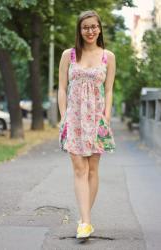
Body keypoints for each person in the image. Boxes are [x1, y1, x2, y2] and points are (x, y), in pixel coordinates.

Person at [58, 10, 116, 239]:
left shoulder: (107, 56)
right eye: (85, 27)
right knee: (79, 168)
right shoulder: (68, 55)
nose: (90, 31)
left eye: (94, 27)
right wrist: (63, 116)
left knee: (92, 169)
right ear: (79, 31)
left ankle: (84, 220)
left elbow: (109, 89)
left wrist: (107, 116)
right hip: (74, 118)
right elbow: (61, 88)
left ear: (99, 29)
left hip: (96, 118)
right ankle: (86, 223)